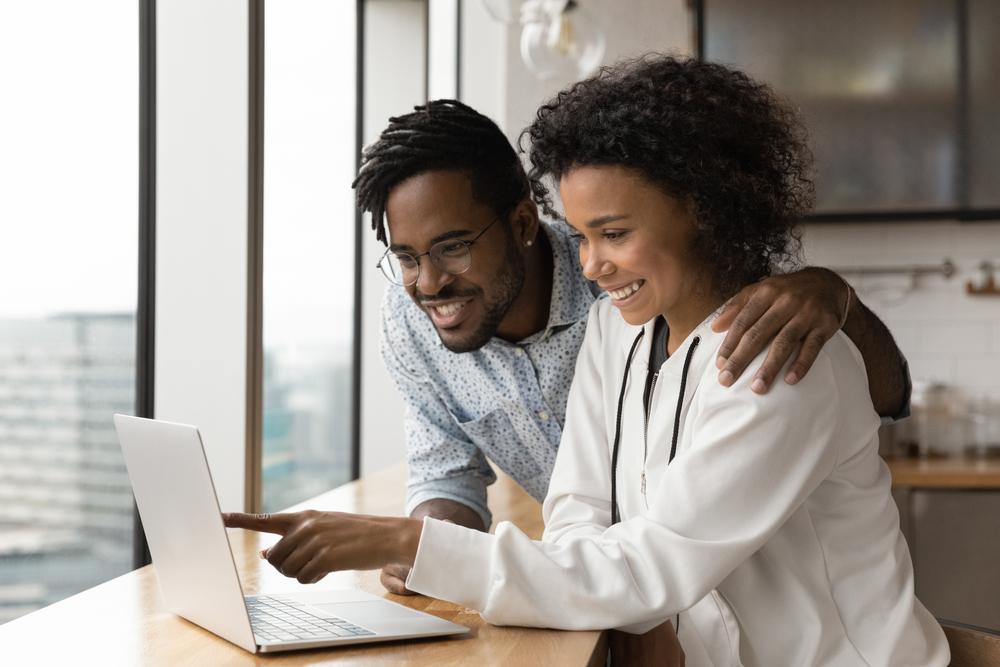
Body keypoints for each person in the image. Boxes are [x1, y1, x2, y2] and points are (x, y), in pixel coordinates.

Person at [226, 56, 948, 666]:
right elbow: (579, 516)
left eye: (613, 233)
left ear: (703, 207)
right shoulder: (619, 333)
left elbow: (651, 565)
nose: (591, 263)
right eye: (579, 234)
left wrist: (406, 541)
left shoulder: (785, 359)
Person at [352, 98, 909, 597]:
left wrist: (840, 300)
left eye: (453, 247)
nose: (427, 284)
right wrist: (426, 550)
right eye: (405, 257)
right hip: (622, 591)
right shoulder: (613, 323)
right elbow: (568, 511)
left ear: (524, 222)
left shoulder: (737, 329)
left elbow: (654, 566)